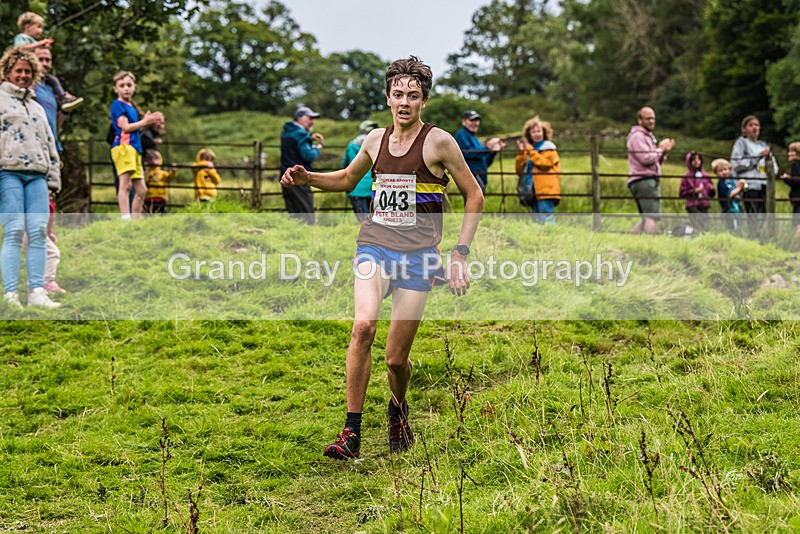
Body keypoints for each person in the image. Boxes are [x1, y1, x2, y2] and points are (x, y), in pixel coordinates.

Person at [281, 56, 483, 460]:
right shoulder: (374, 139)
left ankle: (397, 409)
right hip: (373, 245)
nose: (404, 102)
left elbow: (474, 195)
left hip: (419, 256)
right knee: (362, 327)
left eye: (412, 95)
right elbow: (346, 179)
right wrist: (310, 179)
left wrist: (459, 253)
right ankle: (351, 431)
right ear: (388, 98)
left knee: (395, 360)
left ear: (424, 100)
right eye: (397, 94)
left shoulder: (440, 142)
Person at [0, 47, 61, 308]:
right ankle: (11, 294)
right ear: (7, 72)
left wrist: (53, 180)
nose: (23, 75)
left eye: (27, 71)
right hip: (8, 173)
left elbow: (50, 143)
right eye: (18, 71)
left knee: (37, 232)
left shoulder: (37, 107)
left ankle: (37, 292)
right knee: (13, 231)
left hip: (37, 176)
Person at [109, 70, 164, 219]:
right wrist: (145, 122)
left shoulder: (131, 107)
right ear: (116, 88)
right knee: (125, 184)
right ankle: (125, 218)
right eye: (122, 85)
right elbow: (125, 127)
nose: (126, 88)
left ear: (134, 87)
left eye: (129, 85)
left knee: (141, 189)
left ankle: (136, 218)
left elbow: (135, 130)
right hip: (123, 148)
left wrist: (147, 123)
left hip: (135, 149)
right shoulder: (118, 105)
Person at [14, 12, 83, 112]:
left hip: (36, 71)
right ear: (28, 26)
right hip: (28, 69)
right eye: (38, 27)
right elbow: (20, 48)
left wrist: (44, 46)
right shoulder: (21, 37)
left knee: (53, 80)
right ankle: (29, 92)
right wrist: (39, 43)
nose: (40, 31)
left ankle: (63, 99)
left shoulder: (33, 41)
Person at [627, 107, 675, 234]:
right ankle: (651, 245)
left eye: (653, 118)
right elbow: (646, 158)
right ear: (640, 120)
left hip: (644, 180)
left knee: (645, 217)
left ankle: (629, 240)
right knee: (651, 217)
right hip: (645, 180)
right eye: (648, 118)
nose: (652, 121)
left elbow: (654, 161)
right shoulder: (637, 136)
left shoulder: (646, 136)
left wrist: (663, 151)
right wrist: (660, 149)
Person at [730, 115, 778, 236]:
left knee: (764, 212)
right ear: (744, 129)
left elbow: (775, 167)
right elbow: (736, 163)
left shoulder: (763, 145)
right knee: (752, 212)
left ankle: (759, 236)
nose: (754, 127)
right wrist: (756, 158)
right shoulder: (741, 143)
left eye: (756, 125)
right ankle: (752, 236)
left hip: (764, 184)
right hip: (749, 184)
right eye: (751, 125)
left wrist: (768, 162)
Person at [280, 106, 324, 224]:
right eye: (310, 118)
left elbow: (294, 148)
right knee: (306, 212)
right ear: (300, 119)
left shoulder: (287, 131)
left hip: (285, 176)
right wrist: (317, 148)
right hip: (299, 177)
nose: (312, 122)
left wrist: (309, 138)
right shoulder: (301, 134)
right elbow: (308, 155)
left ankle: (296, 237)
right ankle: (309, 237)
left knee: (294, 212)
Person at [514, 116, 561, 224]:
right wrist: (521, 153)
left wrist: (530, 150)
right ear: (529, 135)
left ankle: (550, 239)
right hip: (531, 189)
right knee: (536, 219)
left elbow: (544, 164)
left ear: (544, 132)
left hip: (546, 189)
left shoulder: (549, 148)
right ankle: (540, 240)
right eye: (533, 131)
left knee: (546, 218)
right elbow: (519, 170)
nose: (537, 134)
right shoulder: (528, 149)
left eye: (539, 131)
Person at [454, 110, 505, 192]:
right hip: (471, 175)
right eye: (472, 120)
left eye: (477, 120)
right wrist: (487, 148)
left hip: (481, 176)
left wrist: (493, 151)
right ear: (464, 121)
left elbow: (485, 162)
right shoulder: (461, 134)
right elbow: (465, 153)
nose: (475, 123)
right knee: (474, 200)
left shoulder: (476, 139)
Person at [343, 120, 379, 221]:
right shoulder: (377, 144)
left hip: (356, 187)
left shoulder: (351, 145)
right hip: (374, 186)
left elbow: (345, 164)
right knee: (375, 219)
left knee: (363, 221)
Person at [679, 151, 715, 231]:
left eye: (699, 159)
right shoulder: (686, 177)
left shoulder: (706, 176)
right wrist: (694, 191)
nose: (697, 162)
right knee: (697, 222)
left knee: (705, 224)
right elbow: (682, 193)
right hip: (692, 204)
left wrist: (712, 189)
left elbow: (712, 194)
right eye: (694, 160)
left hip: (704, 204)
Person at [712, 158, 745, 233]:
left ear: (730, 170)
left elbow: (737, 193)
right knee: (732, 227)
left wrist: (741, 189)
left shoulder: (731, 181)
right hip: (729, 210)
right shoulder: (721, 183)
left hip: (737, 208)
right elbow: (730, 195)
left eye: (725, 169)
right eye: (720, 170)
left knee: (739, 225)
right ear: (716, 173)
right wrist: (739, 187)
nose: (723, 172)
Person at [779, 142, 800, 238]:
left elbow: (797, 182)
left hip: (798, 199)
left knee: (797, 223)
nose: (788, 153)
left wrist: (786, 179)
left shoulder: (796, 165)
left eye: (791, 151)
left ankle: (794, 244)